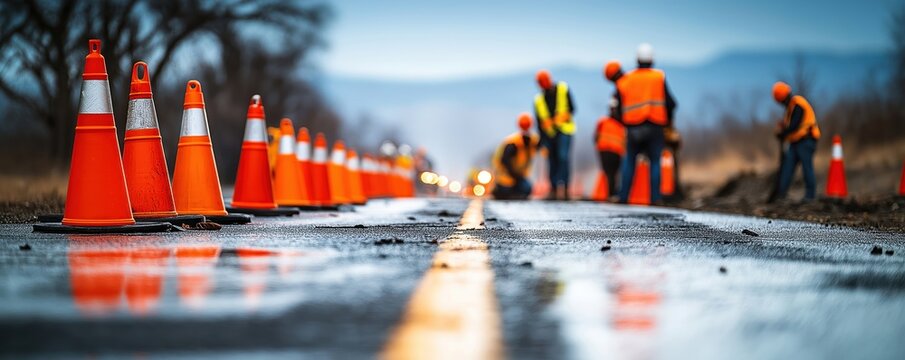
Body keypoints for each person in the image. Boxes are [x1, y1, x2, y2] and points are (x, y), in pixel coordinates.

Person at [614, 43, 677, 204]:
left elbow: (618, 105)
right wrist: (669, 125)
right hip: (655, 125)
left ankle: (623, 197)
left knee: (629, 161)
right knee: (655, 161)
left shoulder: (627, 79)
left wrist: (625, 122)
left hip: (633, 126)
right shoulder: (658, 77)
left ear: (637, 60)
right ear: (652, 60)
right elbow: (671, 103)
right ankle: (655, 198)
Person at [772, 81, 821, 202]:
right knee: (787, 168)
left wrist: (783, 133)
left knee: (807, 168)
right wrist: (783, 129)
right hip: (795, 143)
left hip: (806, 141)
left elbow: (794, 125)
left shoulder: (798, 104)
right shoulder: (790, 108)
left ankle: (810, 196)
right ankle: (781, 195)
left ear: (783, 98)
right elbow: (790, 126)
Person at [533, 70, 576, 200]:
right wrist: (541, 142)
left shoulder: (563, 89)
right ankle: (553, 188)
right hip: (550, 135)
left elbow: (572, 109)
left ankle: (566, 187)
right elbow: (540, 123)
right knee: (552, 160)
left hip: (565, 131)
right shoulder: (538, 100)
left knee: (563, 157)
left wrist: (560, 119)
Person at [492, 113, 540, 200]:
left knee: (527, 188)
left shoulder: (532, 141)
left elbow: (541, 146)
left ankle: (513, 192)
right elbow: (504, 160)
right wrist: (515, 175)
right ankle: (499, 189)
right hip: (506, 177)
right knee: (505, 191)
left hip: (519, 177)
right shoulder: (512, 143)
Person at [594, 97, 626, 199]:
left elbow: (595, 137)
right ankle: (611, 193)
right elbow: (596, 136)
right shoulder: (604, 122)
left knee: (612, 173)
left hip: (615, 151)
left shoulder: (621, 124)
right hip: (607, 150)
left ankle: (612, 193)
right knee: (610, 173)